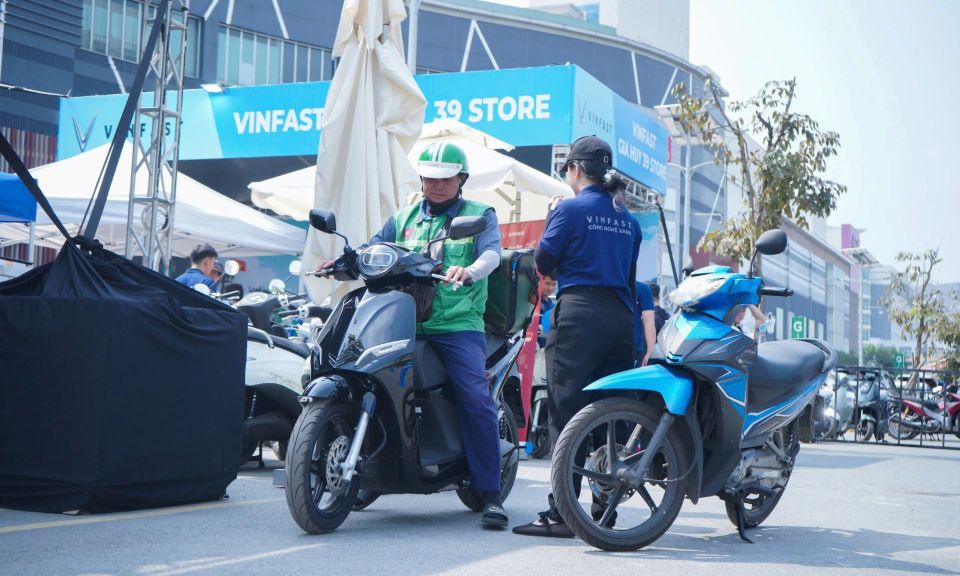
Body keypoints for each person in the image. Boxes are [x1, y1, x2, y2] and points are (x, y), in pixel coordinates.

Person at [316, 141, 508, 529]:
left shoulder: (479, 215)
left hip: (456, 325)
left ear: (461, 179)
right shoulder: (402, 219)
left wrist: (470, 270)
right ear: (420, 179)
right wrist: (340, 263)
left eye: (445, 179)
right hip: (401, 320)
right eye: (430, 178)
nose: (437, 185)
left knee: (474, 397)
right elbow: (371, 250)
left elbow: (492, 255)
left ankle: (490, 492)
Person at [513, 135, 641, 538]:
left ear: (575, 169)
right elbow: (630, 278)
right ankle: (605, 510)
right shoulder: (628, 220)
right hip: (621, 319)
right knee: (610, 413)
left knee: (566, 412)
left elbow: (544, 260)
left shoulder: (568, 209)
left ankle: (562, 513)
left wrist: (552, 216)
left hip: (580, 314)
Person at [634, 280, 656, 366]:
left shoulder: (642, 289)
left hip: (635, 349)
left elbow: (649, 322)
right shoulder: (606, 286)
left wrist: (650, 352)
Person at [537, 273, 558, 348]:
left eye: (554, 284)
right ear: (539, 282)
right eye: (547, 283)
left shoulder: (554, 307)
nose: (550, 288)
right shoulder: (532, 304)